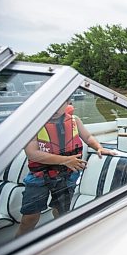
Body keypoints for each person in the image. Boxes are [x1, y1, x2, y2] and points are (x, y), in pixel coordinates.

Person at [16, 100, 117, 236]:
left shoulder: (75, 120)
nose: (55, 109)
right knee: (29, 218)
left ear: (67, 103)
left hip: (67, 175)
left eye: (59, 104)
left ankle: (59, 238)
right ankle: (18, 246)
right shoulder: (34, 125)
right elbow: (32, 153)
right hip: (39, 177)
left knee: (61, 212)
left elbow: (87, 137)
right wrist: (66, 160)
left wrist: (99, 147)